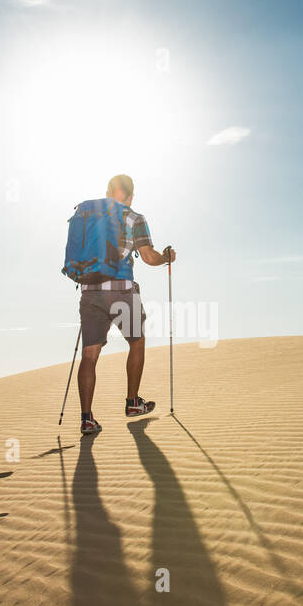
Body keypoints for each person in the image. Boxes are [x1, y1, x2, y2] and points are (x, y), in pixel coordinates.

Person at [77, 174, 176, 435]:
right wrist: (166, 258)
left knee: (89, 355)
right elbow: (148, 257)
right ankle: (133, 403)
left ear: (108, 192)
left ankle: (86, 419)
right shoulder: (134, 217)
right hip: (121, 290)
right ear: (130, 195)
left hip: (90, 292)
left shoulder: (88, 218)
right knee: (137, 341)